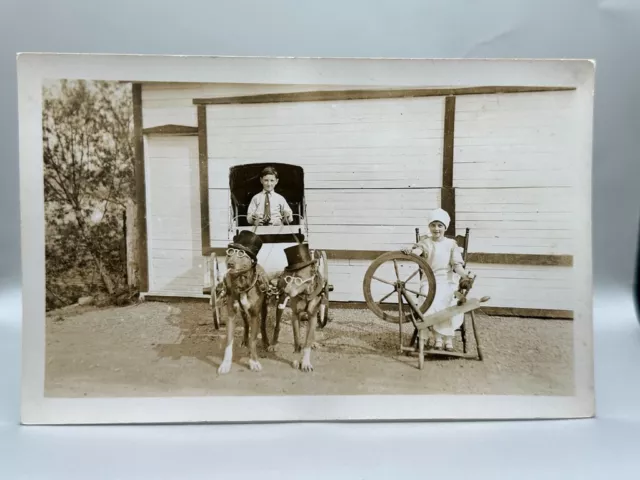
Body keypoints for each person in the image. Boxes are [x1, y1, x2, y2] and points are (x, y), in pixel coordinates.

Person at [401, 208, 475, 352]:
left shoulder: (451, 244)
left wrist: (465, 275)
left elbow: (457, 265)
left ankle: (446, 338)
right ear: (429, 226)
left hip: (447, 280)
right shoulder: (425, 243)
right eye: (433, 225)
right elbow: (418, 252)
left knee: (450, 300)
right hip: (429, 281)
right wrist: (411, 251)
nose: (436, 229)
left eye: (440, 225)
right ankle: (436, 337)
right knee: (428, 298)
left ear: (445, 227)